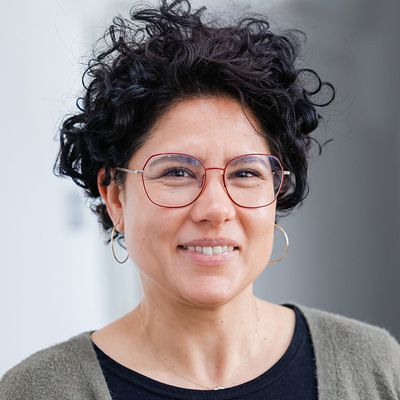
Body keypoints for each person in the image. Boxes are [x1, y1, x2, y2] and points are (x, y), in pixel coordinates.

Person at [1, 0, 399, 399]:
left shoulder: (372, 365)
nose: (215, 209)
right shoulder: (41, 391)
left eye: (245, 173)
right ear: (115, 196)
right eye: (177, 173)